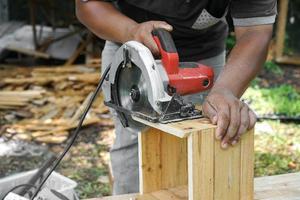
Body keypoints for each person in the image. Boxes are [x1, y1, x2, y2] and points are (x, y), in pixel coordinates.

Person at [76, 0, 276, 195]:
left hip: (202, 49)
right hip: (127, 44)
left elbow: (255, 30)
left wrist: (225, 90)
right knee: (133, 146)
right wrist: (131, 32)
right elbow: (87, 5)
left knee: (207, 142)